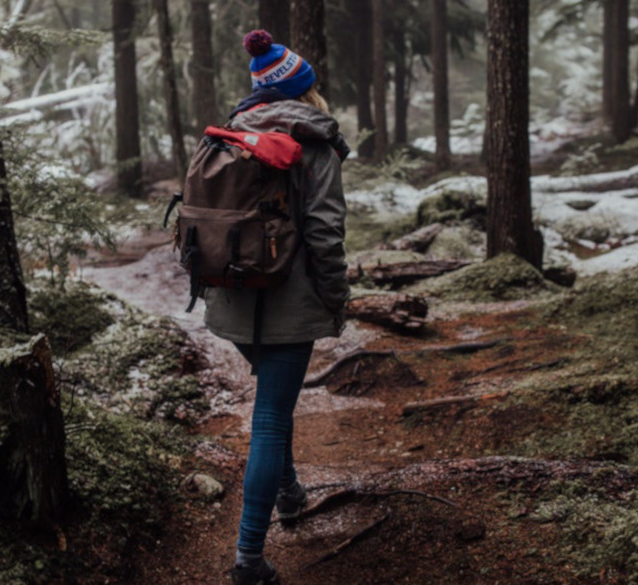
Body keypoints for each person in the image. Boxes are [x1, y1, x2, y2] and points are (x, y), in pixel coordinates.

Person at [202, 29, 350, 585]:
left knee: (274, 399)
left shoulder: (231, 132)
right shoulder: (314, 140)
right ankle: (247, 561)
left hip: (233, 298)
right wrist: (335, 296)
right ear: (305, 89)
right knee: (268, 418)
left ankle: (288, 491)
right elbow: (325, 231)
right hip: (289, 303)